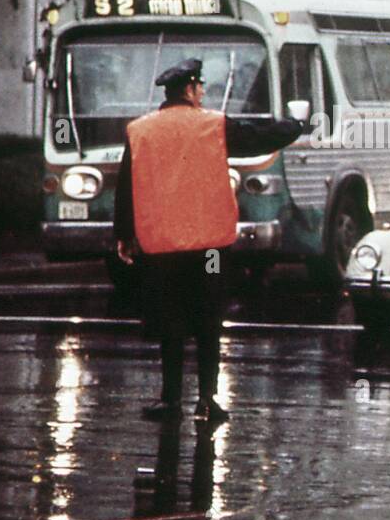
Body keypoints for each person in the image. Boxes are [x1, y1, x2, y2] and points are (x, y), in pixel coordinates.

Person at [114, 57, 303, 424]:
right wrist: (295, 125)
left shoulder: (139, 131)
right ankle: (206, 401)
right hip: (210, 250)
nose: (202, 93)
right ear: (188, 89)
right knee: (208, 318)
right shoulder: (213, 125)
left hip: (162, 247)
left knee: (170, 322)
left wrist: (123, 236)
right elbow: (260, 138)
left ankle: (169, 401)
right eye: (200, 86)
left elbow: (126, 187)